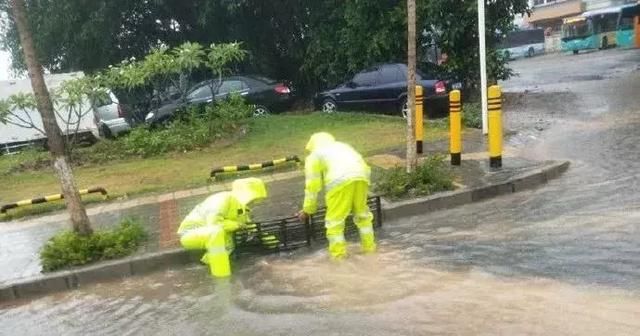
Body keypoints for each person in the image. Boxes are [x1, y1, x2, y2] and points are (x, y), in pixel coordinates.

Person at [297, 132, 376, 259]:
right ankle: (370, 249)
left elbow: (312, 187)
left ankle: (338, 258)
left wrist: (308, 210)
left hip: (339, 182)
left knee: (334, 222)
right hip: (362, 177)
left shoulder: (315, 155)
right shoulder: (343, 146)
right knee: (363, 216)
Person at [177, 177, 267, 277]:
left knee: (224, 237)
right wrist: (237, 225)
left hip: (212, 233)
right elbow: (213, 223)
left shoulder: (242, 207)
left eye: (256, 200)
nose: (253, 203)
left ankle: (210, 263)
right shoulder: (222, 199)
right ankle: (222, 277)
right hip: (190, 233)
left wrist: (272, 241)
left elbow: (250, 226)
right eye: (253, 199)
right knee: (216, 233)